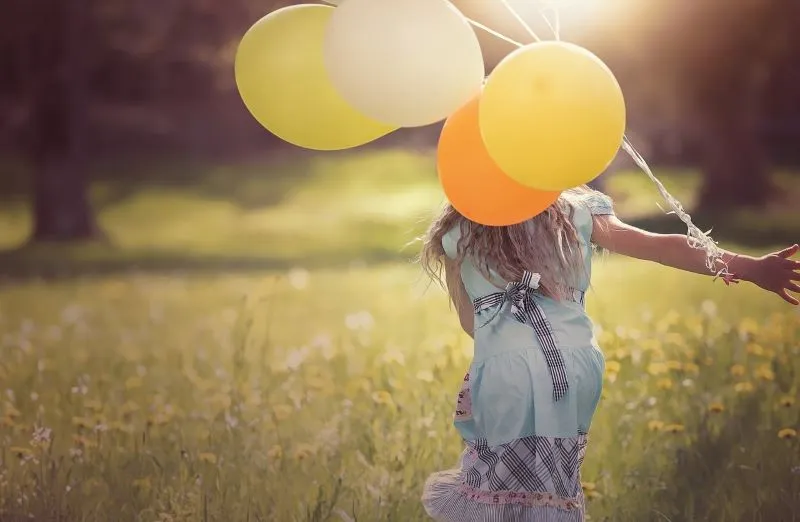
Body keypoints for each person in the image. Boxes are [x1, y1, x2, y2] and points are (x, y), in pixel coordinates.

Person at [417, 185, 799, 522]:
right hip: (574, 363)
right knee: (553, 486)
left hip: (507, 369)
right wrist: (749, 267)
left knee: (502, 492)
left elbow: (471, 322)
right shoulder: (574, 206)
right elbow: (658, 245)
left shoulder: (459, 228)